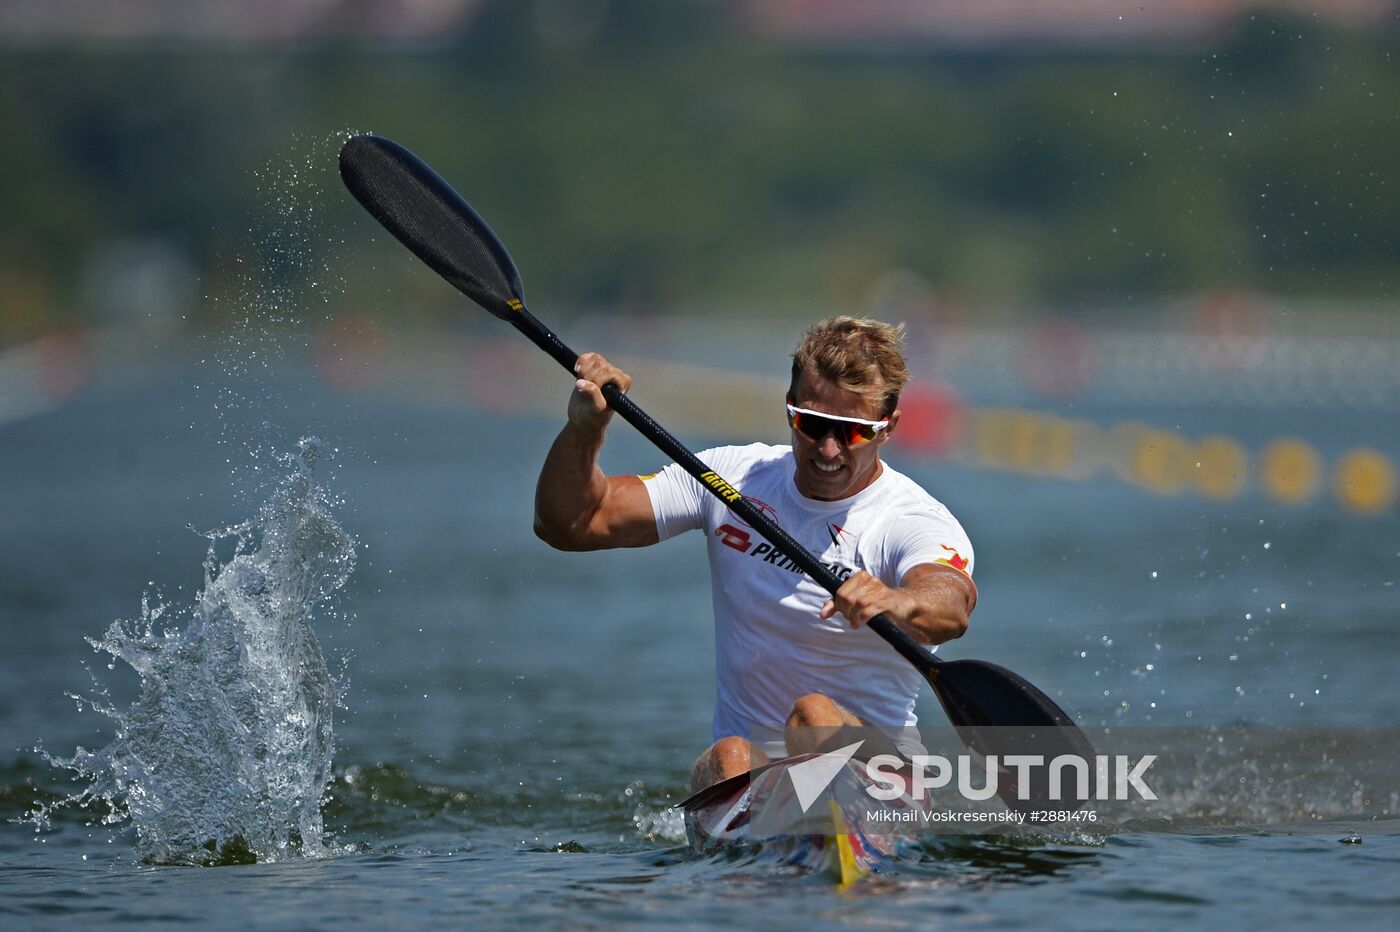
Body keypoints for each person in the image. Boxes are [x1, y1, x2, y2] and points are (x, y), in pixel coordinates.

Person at [533, 316, 977, 792]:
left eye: (852, 432)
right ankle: (760, 834)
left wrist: (900, 600)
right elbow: (570, 522)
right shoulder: (731, 478)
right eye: (812, 424)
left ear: (888, 428)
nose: (827, 448)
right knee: (729, 755)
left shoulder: (910, 519)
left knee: (813, 717)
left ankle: (829, 831)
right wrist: (585, 431)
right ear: (789, 410)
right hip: (751, 774)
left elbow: (950, 602)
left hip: (881, 779)